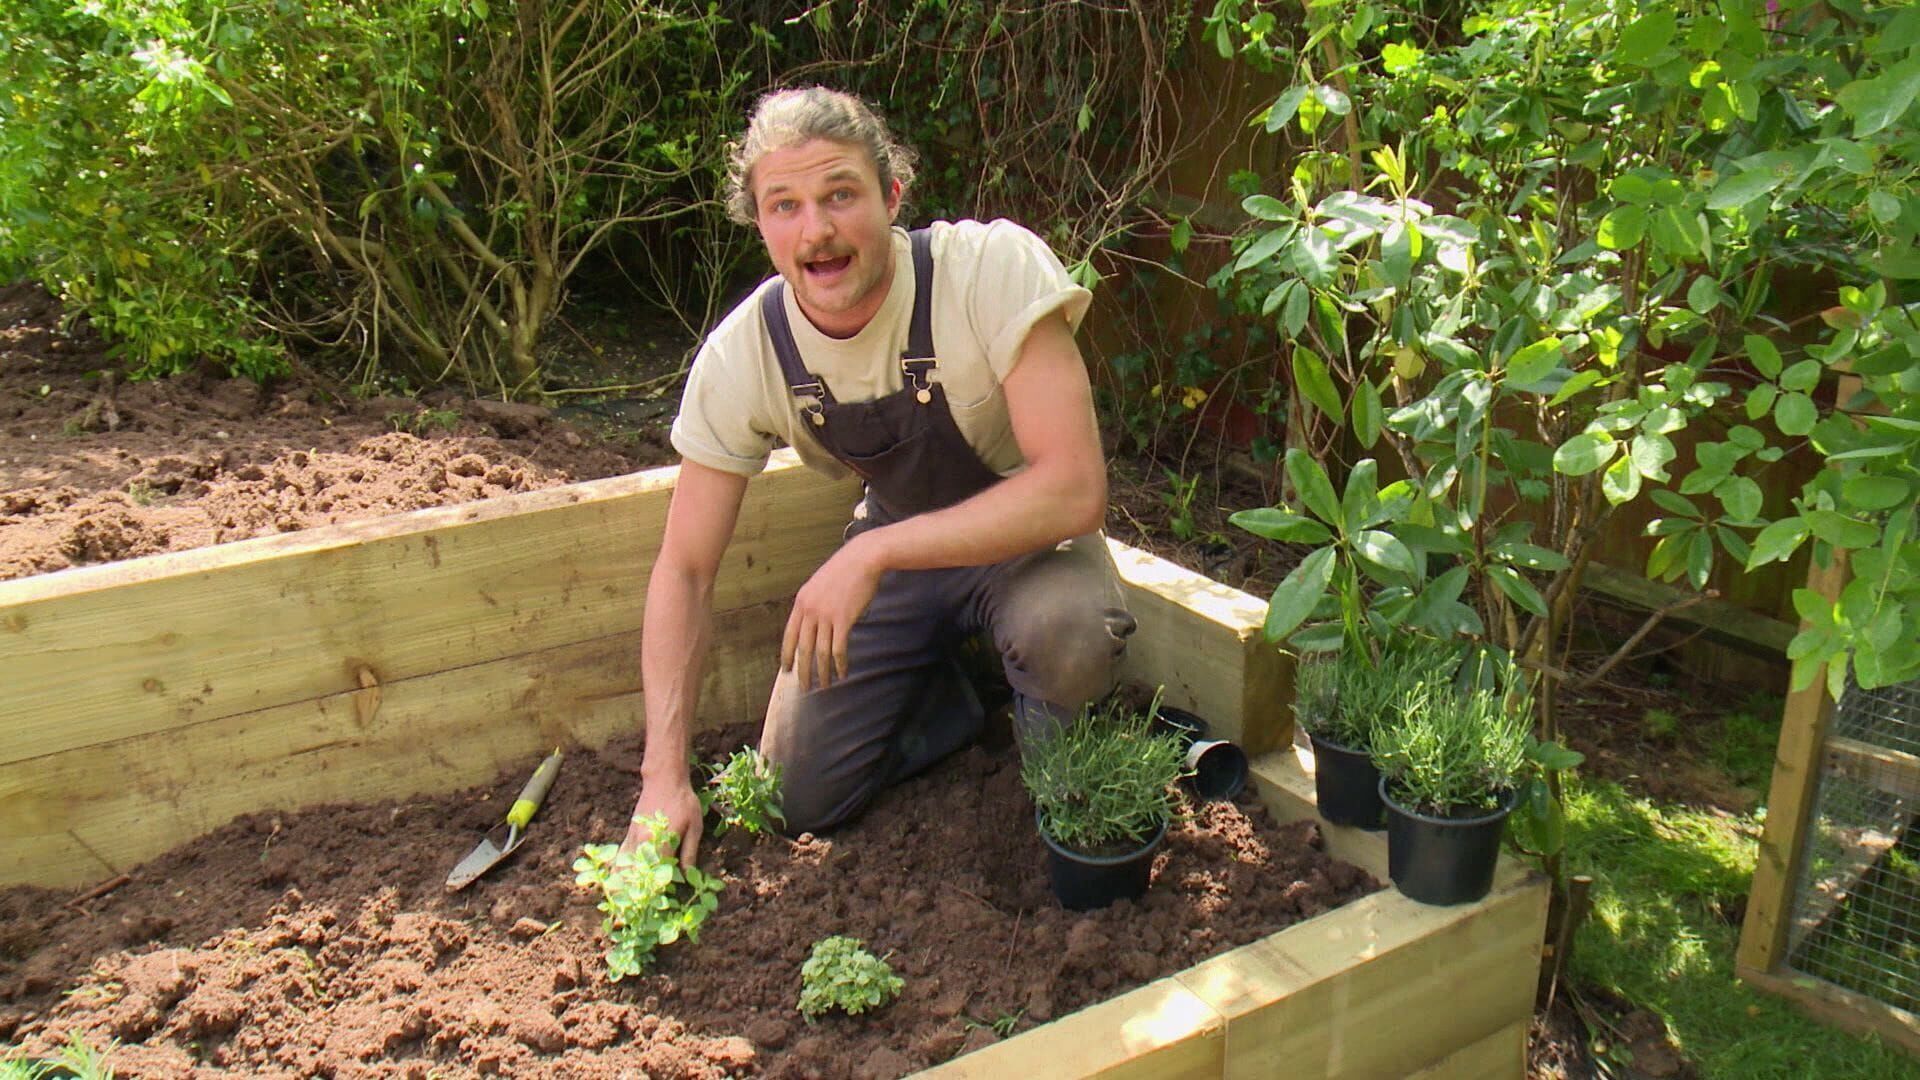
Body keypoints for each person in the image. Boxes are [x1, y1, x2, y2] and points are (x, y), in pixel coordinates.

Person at [623, 86, 1135, 865]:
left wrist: (868, 556)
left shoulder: (985, 271)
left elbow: (1071, 488)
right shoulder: (745, 355)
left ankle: (1067, 778)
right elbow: (685, 570)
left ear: (892, 195)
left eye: (840, 195)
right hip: (899, 540)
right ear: (759, 223)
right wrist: (662, 778)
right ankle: (949, 698)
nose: (817, 229)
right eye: (784, 205)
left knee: (1063, 635)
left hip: (1031, 543)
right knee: (798, 798)